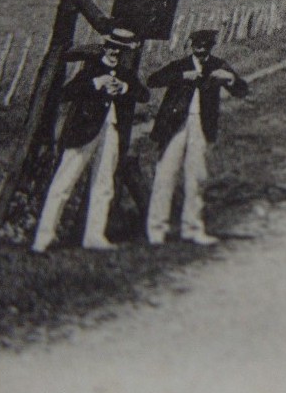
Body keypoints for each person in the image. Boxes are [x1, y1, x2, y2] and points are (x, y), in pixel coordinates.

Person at [32, 28, 149, 253]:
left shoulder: (124, 73)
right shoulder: (91, 70)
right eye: (113, 46)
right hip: (84, 132)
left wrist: (123, 88)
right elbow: (66, 93)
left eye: (121, 49)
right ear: (105, 46)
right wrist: (97, 83)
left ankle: (94, 236)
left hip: (111, 132)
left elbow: (143, 94)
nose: (116, 51)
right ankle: (43, 237)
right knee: (64, 182)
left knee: (104, 183)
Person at [146, 29, 249, 245]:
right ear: (191, 46)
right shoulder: (181, 65)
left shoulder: (218, 65)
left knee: (197, 176)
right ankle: (156, 229)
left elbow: (242, 90)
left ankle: (192, 228)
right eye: (196, 46)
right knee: (165, 173)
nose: (200, 51)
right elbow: (153, 80)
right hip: (174, 125)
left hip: (202, 126)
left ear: (211, 47)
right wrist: (182, 76)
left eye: (205, 47)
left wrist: (229, 78)